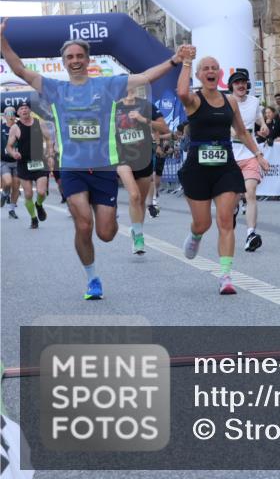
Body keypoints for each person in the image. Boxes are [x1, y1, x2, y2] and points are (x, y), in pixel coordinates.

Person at [1, 21, 192, 299]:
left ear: (88, 60)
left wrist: (174, 60)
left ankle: (110, 221)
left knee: (106, 233)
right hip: (72, 168)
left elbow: (145, 76)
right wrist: (2, 39)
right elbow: (19, 69)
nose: (75, 60)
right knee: (83, 225)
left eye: (80, 56)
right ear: (64, 62)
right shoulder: (55, 89)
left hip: (103, 168)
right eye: (70, 57)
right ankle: (92, 279)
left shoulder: (108, 85)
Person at [177, 51, 269, 294]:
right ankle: (195, 235)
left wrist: (258, 155)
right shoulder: (194, 99)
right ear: (199, 75)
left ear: (219, 74)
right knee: (203, 223)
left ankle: (226, 276)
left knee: (226, 219)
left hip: (225, 167)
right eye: (205, 68)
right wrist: (186, 62)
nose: (210, 71)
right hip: (198, 168)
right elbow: (182, 92)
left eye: (214, 68)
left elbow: (242, 132)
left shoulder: (230, 101)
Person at [115, 85, 168, 254]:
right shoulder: (114, 107)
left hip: (143, 158)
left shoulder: (146, 106)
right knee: (134, 195)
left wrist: (143, 119)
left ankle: (137, 229)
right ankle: (138, 237)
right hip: (122, 158)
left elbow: (164, 128)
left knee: (141, 201)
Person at [228, 68, 269, 252]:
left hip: (250, 154)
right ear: (231, 86)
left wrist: (264, 125)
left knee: (250, 192)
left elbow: (258, 116)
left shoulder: (254, 101)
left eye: (243, 82)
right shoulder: (227, 102)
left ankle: (251, 234)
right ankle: (234, 209)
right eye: (237, 83)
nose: (241, 85)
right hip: (232, 156)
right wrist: (232, 131)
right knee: (234, 197)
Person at [4, 101, 52, 229]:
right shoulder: (15, 128)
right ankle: (33, 218)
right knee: (28, 194)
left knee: (41, 192)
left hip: (40, 162)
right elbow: (9, 146)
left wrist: (49, 154)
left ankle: (39, 205)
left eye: (26, 108)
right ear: (18, 112)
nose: (24, 110)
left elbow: (48, 139)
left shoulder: (39, 123)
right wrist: (14, 154)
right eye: (21, 109)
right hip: (24, 164)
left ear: (30, 110)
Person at [1, 106, 21, 219]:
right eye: (8, 114)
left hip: (18, 162)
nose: (11, 116)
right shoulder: (1, 127)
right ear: (4, 116)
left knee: (16, 186)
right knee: (8, 182)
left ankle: (11, 209)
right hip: (4, 161)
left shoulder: (19, 127)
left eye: (12, 113)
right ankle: (4, 194)